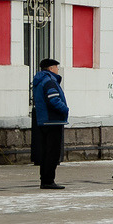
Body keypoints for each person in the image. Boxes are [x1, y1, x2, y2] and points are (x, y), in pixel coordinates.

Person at [31, 58, 69, 189]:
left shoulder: (40, 80)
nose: (58, 69)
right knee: (52, 153)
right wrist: (65, 109)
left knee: (46, 152)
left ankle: (45, 179)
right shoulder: (49, 81)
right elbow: (53, 100)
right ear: (51, 68)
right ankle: (48, 181)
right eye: (56, 67)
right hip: (53, 121)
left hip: (44, 120)